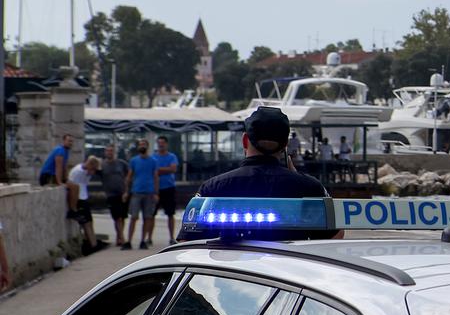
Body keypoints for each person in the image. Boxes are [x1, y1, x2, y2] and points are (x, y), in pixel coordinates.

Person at [179, 106, 334, 241]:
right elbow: (334, 235)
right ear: (285, 145)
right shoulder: (311, 188)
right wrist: (298, 178)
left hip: (230, 274)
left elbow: (186, 241)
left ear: (245, 141)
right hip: (289, 273)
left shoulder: (213, 188)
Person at [66, 155, 104, 251]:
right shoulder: (78, 172)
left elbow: (85, 183)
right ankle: (92, 244)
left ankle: (93, 242)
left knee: (89, 221)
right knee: (86, 222)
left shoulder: (86, 172)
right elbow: (74, 185)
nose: (93, 172)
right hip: (79, 199)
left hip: (83, 196)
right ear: (90, 165)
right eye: (93, 169)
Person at [99, 143, 132, 249]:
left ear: (115, 152)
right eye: (108, 151)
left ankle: (119, 236)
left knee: (122, 217)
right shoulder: (102, 165)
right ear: (105, 152)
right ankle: (122, 238)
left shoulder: (121, 163)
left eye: (111, 151)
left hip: (122, 193)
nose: (110, 153)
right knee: (116, 217)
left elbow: (129, 175)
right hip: (111, 194)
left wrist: (127, 191)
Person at [127, 139, 159, 249]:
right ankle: (129, 241)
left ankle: (143, 240)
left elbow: (155, 177)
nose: (142, 146)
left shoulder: (153, 161)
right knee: (133, 217)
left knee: (147, 217)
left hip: (149, 193)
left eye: (144, 144)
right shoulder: (134, 161)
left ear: (148, 146)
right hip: (136, 192)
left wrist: (156, 192)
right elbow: (129, 176)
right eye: (140, 144)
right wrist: (126, 191)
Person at [152, 135, 181, 245]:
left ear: (166, 144)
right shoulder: (153, 157)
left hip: (169, 188)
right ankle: (149, 237)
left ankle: (171, 237)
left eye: (163, 142)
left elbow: (173, 169)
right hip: (155, 189)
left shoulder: (172, 156)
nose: (161, 145)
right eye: (159, 143)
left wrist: (159, 170)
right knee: (151, 215)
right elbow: (153, 171)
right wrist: (165, 169)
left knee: (170, 213)